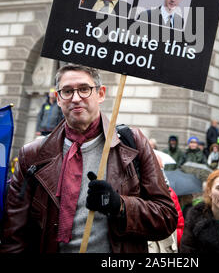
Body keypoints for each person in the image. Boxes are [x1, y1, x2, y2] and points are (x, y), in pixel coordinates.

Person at [0, 64, 178, 253]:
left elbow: (167, 217)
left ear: (100, 94)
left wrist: (120, 205)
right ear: (58, 99)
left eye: (84, 89)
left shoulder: (133, 143)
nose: (76, 98)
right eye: (67, 91)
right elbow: (14, 236)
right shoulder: (32, 155)